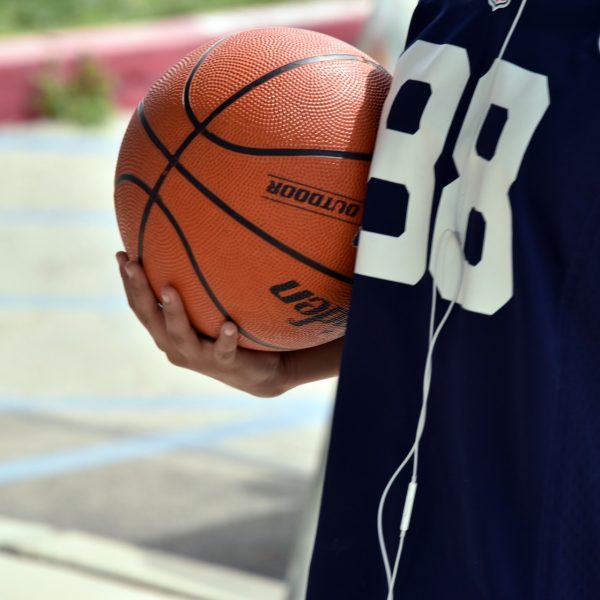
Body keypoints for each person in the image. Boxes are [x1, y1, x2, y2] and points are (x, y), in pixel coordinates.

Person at [117, 0, 600, 597]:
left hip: (543, 548)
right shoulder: (452, 11)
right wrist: (292, 365)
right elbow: (477, 289)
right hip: (381, 538)